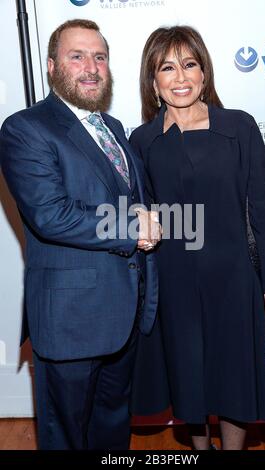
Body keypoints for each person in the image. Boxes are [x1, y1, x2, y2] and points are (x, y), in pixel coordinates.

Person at [0, 19, 161, 450]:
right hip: (70, 319)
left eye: (100, 57)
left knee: (111, 431)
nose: (91, 67)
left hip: (122, 314)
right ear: (52, 66)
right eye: (77, 56)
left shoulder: (114, 129)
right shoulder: (26, 128)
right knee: (66, 438)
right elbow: (50, 215)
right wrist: (132, 226)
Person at [130, 25, 265, 450]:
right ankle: (200, 452)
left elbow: (262, 212)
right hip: (174, 279)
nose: (180, 77)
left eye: (189, 64)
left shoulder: (238, 127)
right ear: (153, 81)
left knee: (234, 377)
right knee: (189, 378)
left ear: (204, 72)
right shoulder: (141, 140)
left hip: (233, 276)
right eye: (167, 68)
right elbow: (138, 209)